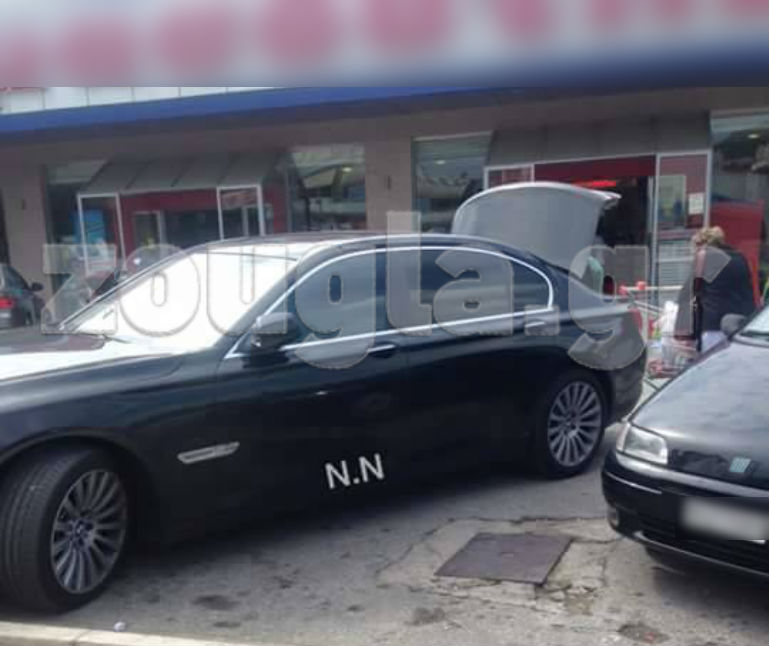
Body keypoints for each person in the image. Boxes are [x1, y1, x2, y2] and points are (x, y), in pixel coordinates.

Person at [675, 226, 756, 353]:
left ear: (701, 244)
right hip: (741, 325)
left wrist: (684, 333)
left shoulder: (705, 257)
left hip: (713, 326)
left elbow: (688, 293)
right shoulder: (740, 258)